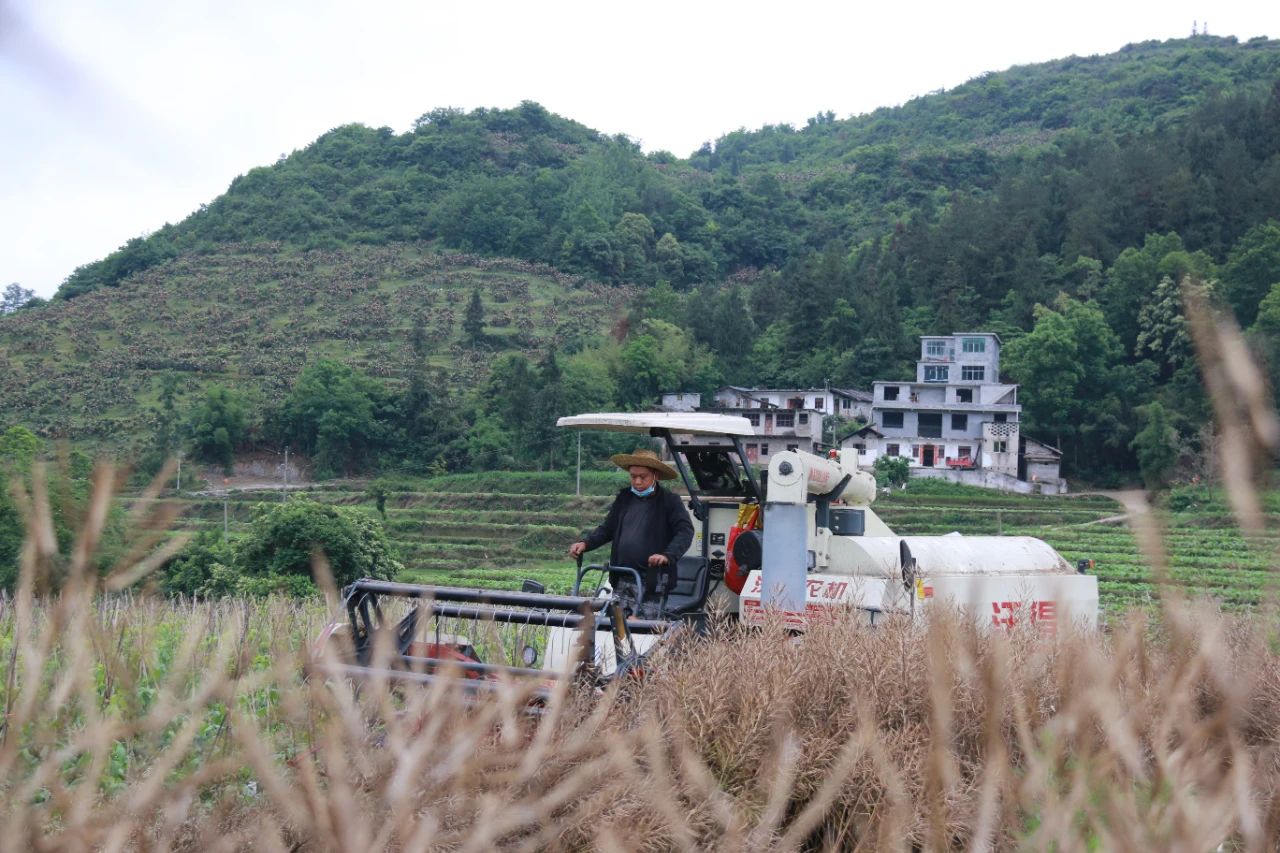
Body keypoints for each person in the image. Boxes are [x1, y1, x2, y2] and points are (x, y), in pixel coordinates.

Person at [568, 448, 694, 603]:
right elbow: (607, 529)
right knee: (617, 618)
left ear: (656, 475)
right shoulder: (624, 498)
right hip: (622, 576)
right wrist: (585, 543)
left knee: (644, 618)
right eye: (633, 477)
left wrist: (667, 556)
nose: (637, 482)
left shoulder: (669, 501)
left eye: (643, 477)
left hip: (652, 581)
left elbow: (685, 532)